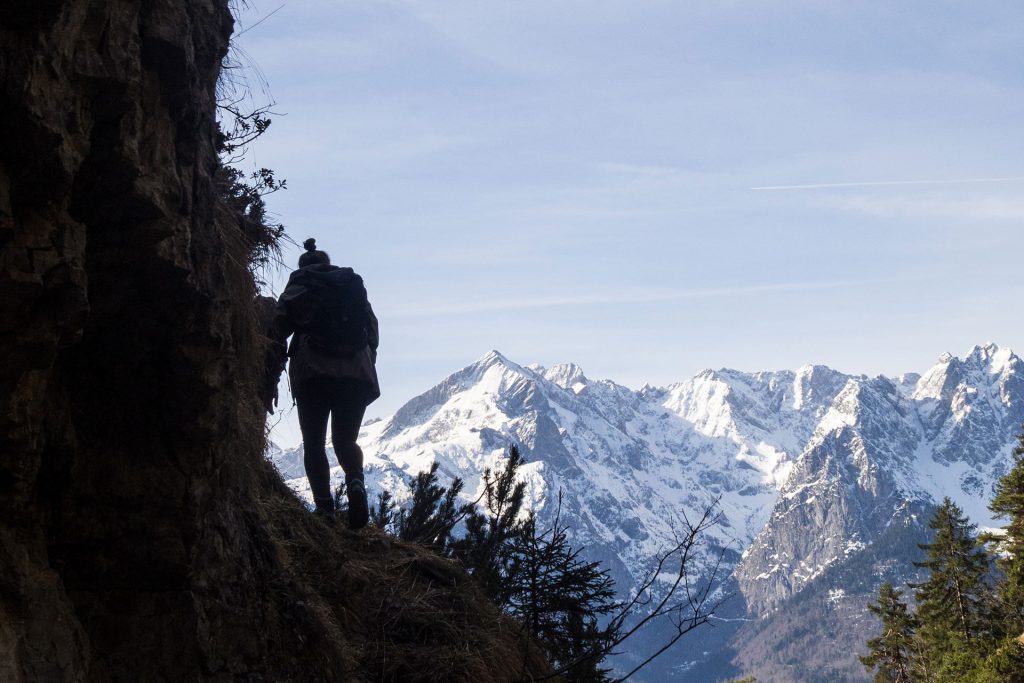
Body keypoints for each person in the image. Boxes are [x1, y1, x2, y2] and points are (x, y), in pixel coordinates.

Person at [266, 238, 379, 528]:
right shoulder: (352, 285)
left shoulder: (300, 284)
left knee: (314, 444)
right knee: (345, 440)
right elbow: (372, 330)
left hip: (313, 373)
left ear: (303, 266)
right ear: (328, 264)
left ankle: (325, 510)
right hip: (356, 374)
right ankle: (355, 482)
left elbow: (278, 326)